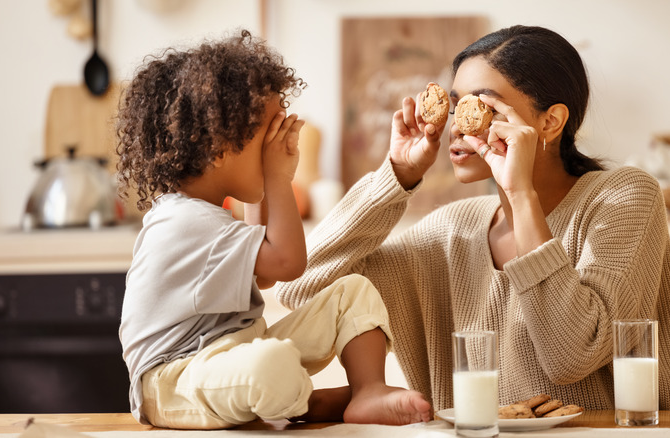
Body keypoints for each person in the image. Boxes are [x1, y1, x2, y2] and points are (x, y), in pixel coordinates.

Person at [278, 25, 670, 412]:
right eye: (456, 107)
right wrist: (397, 176)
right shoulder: (453, 229)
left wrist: (520, 194)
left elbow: (572, 355)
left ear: (550, 121)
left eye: (483, 106)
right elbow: (302, 287)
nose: (458, 125)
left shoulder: (622, 198)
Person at [115, 29, 432, 429]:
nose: (277, 146)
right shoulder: (185, 223)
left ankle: (367, 390)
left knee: (351, 292)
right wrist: (278, 179)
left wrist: (267, 180)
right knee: (271, 362)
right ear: (219, 149)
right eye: (269, 136)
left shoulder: (203, 215)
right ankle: (306, 406)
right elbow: (286, 262)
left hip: (232, 353)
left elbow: (262, 275)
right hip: (174, 381)